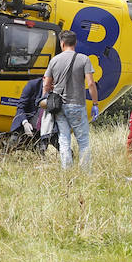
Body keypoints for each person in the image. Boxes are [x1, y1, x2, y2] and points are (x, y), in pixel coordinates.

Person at [43, 30, 99, 170]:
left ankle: (66, 170)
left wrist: (45, 98)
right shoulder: (83, 59)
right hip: (77, 104)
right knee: (83, 140)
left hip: (59, 106)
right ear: (75, 43)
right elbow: (91, 83)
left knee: (64, 139)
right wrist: (95, 103)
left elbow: (46, 84)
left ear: (62, 43)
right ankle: (86, 171)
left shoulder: (54, 60)